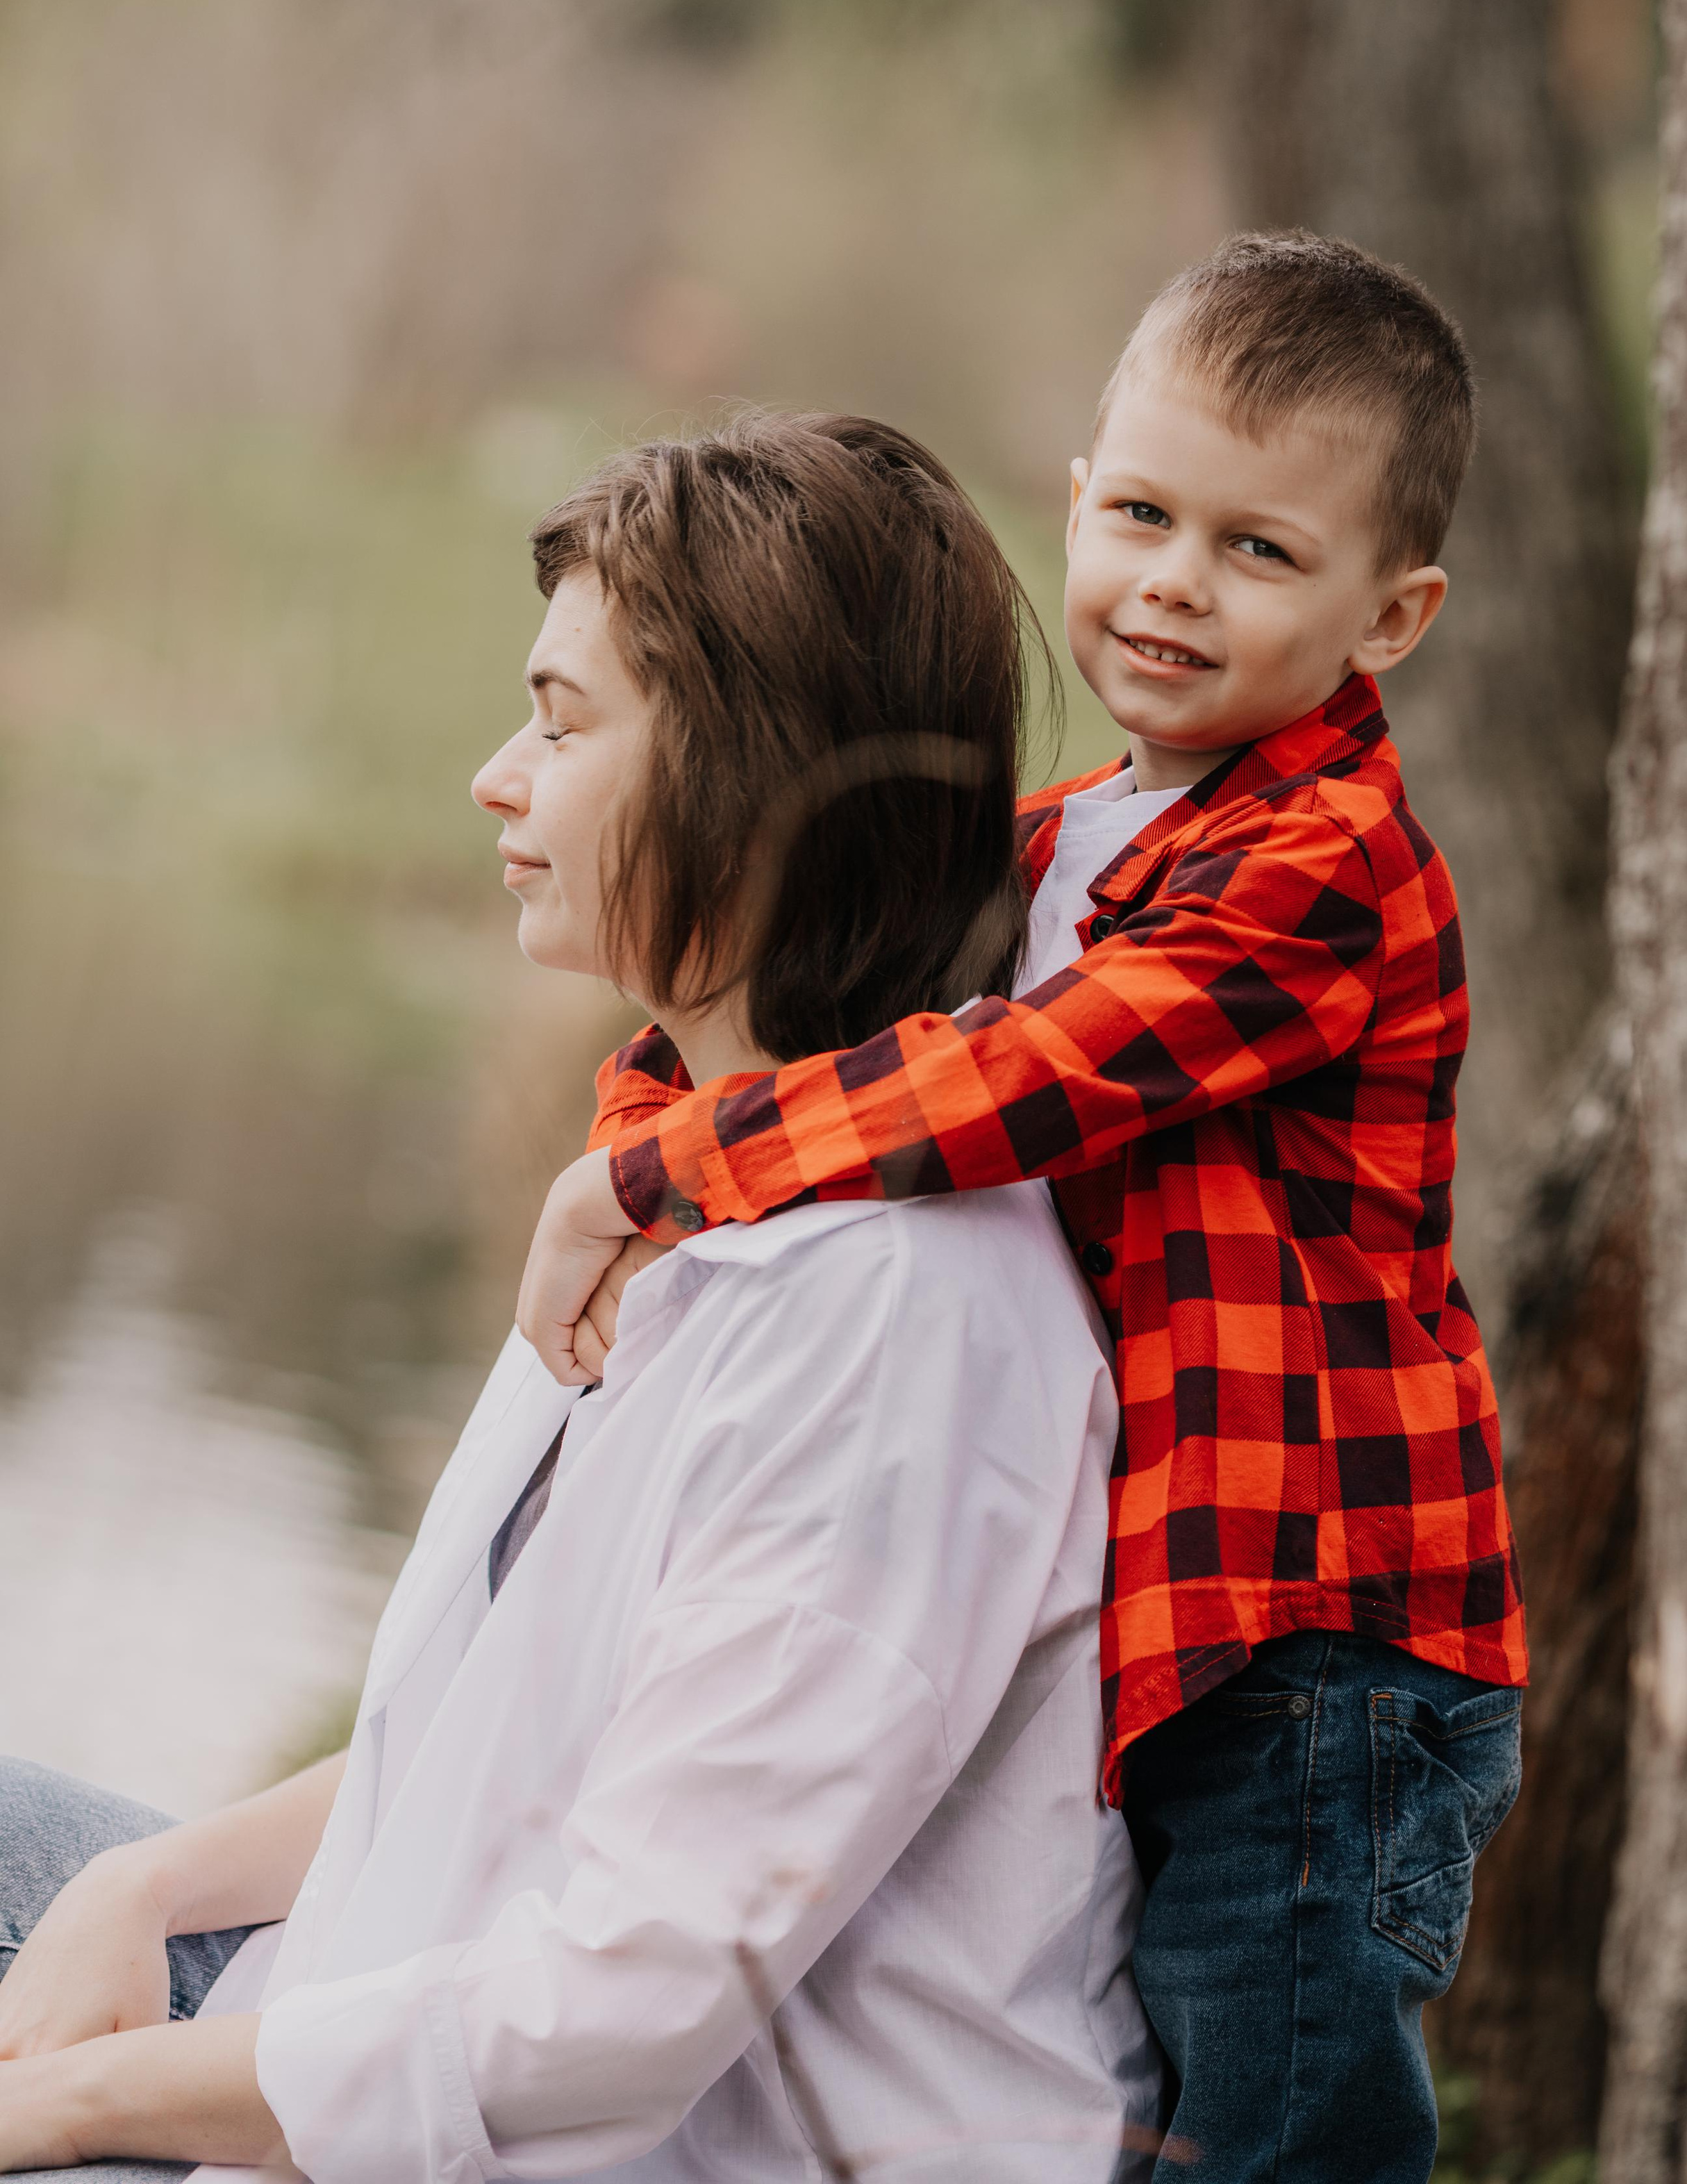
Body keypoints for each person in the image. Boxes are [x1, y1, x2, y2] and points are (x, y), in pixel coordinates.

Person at [0, 412, 1157, 2183]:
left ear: (749, 772)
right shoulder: (680, 1185)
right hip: (387, 1997)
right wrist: (139, 1887)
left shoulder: (893, 1324)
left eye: (559, 721)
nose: (493, 774)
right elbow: (477, 1753)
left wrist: (70, 2107)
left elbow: (614, 2012)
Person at [516, 234, 1528, 2184]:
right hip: (1164, 1610)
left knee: (1280, 2084)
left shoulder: (1321, 869)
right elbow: (823, 1007)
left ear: (1391, 615)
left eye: (1260, 551)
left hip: (1321, 1640)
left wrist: (651, 1175)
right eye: (1143, 512)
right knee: (1132, 2071)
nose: (1170, 581)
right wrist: (649, 1113)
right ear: (1077, 497)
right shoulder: (1068, 844)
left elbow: (1018, 1082)